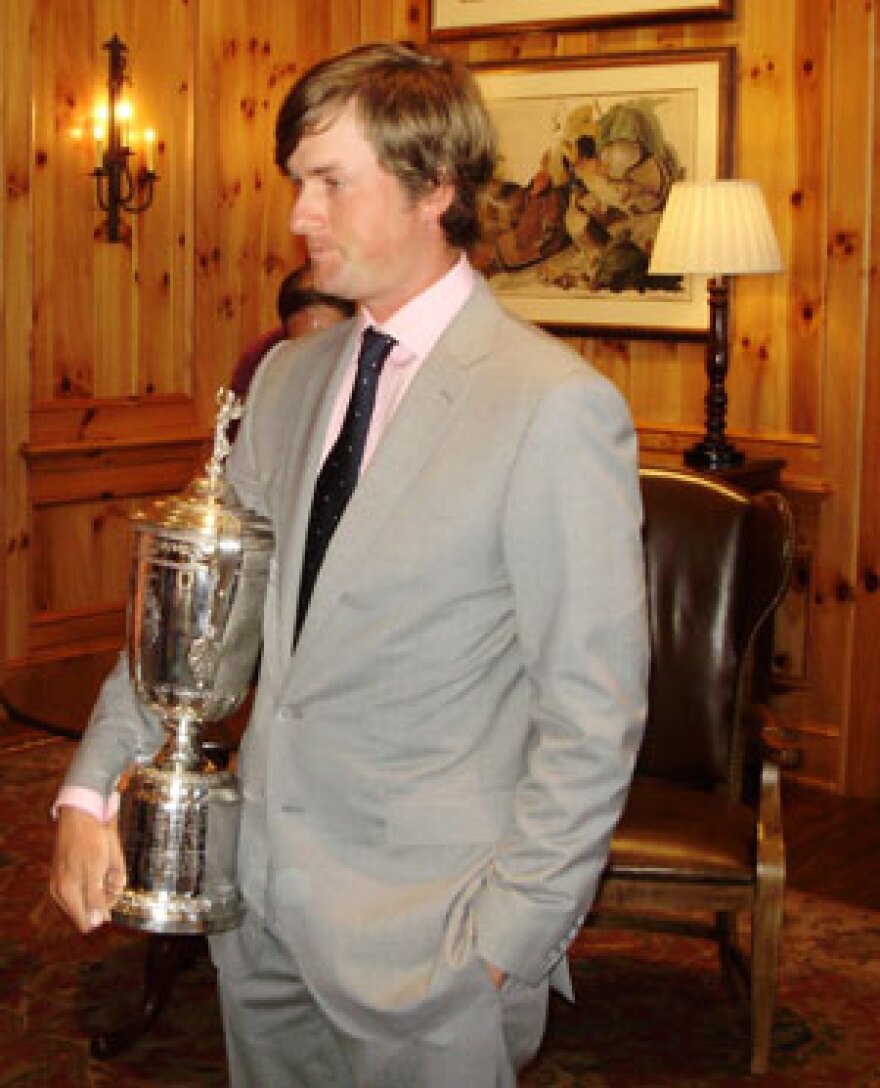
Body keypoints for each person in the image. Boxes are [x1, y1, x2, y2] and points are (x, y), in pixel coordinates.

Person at [50, 42, 650, 1088]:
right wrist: (89, 790)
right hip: (261, 914)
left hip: (436, 947)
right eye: (297, 183)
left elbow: (593, 713)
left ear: (436, 189)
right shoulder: (287, 376)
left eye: (330, 182)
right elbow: (198, 618)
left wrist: (506, 940)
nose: (299, 216)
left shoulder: (549, 406)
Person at [229, 262, 355, 403]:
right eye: (305, 348)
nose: (319, 362)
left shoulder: (373, 369)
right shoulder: (258, 366)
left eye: (330, 344)